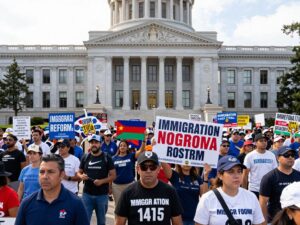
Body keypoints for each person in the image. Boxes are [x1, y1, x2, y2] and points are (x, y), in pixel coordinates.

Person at [14, 154, 89, 225]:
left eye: (50, 172)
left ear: (62, 175)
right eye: (42, 172)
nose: (45, 176)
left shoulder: (76, 203)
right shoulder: (27, 203)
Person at [115, 151, 183, 225]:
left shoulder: (170, 192)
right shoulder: (127, 193)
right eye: (144, 167)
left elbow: (177, 222)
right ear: (138, 169)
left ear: (158, 169)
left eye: (152, 167)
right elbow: (119, 223)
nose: (148, 171)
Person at [194, 155, 265, 225]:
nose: (236, 176)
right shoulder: (207, 198)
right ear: (220, 175)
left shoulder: (251, 197)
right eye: (231, 172)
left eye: (239, 171)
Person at [77, 134, 116, 225]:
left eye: (96, 142)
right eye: (91, 143)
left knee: (101, 222)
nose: (94, 144)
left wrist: (102, 181)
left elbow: (113, 175)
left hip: (102, 195)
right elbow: (79, 172)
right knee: (85, 221)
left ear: (100, 144)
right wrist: (81, 176)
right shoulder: (85, 157)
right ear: (89, 144)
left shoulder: (107, 157)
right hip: (87, 195)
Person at [259, 146, 300, 223]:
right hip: (276, 220)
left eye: (292, 155)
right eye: (286, 155)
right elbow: (263, 202)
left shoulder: (298, 175)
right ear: (278, 158)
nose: (290, 157)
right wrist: (263, 222)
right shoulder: (269, 177)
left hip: (296, 220)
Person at [242, 133, 277, 198]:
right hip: (254, 189)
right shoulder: (250, 156)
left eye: (265, 141)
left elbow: (275, 173)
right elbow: (245, 175)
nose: (264, 142)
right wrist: (244, 191)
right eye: (261, 141)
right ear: (255, 143)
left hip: (269, 189)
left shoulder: (271, 155)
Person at [112, 139, 145, 207]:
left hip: (129, 185)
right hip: (116, 186)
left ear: (127, 147)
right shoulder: (114, 158)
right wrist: (109, 187)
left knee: (131, 206)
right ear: (119, 147)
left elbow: (141, 151)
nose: (122, 147)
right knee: (119, 206)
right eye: (121, 146)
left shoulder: (131, 156)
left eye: (124, 146)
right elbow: (111, 173)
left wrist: (144, 140)